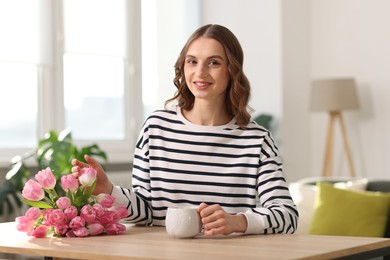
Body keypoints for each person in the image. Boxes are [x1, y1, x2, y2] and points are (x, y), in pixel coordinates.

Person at [72, 24, 299, 236]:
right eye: (192, 61)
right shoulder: (155, 129)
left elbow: (287, 216)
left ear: (232, 70)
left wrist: (237, 221)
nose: (200, 73)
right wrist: (108, 190)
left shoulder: (256, 139)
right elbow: (146, 210)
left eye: (214, 63)